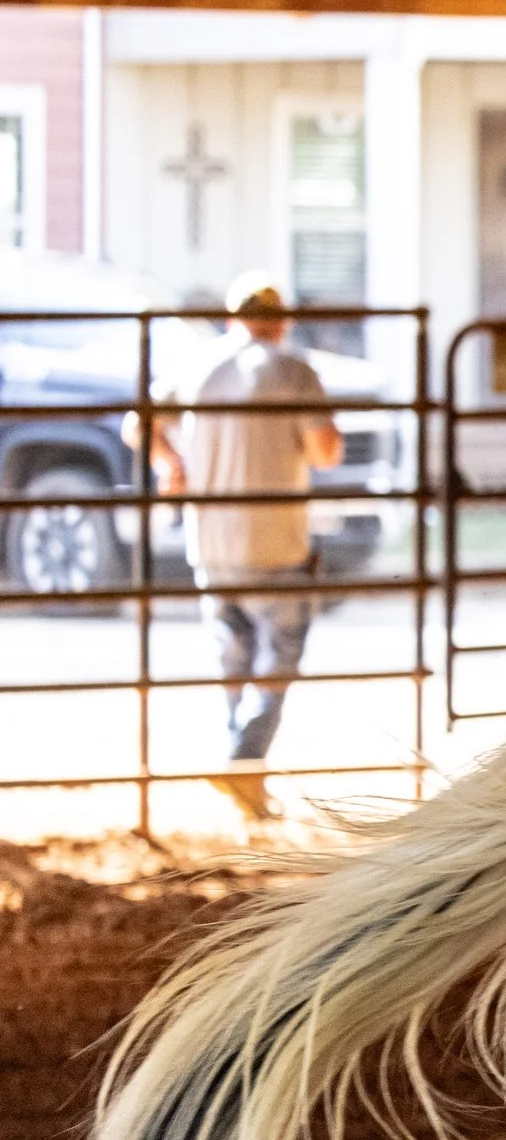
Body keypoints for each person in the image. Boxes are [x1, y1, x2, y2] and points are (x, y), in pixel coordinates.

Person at [150, 277, 342, 820]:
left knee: (233, 657)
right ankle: (243, 759)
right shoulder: (293, 370)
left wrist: (173, 464)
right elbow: (325, 452)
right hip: (275, 541)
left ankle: (246, 775)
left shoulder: (197, 366)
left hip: (210, 541)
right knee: (278, 657)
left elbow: (137, 425)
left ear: (233, 318)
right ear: (282, 321)